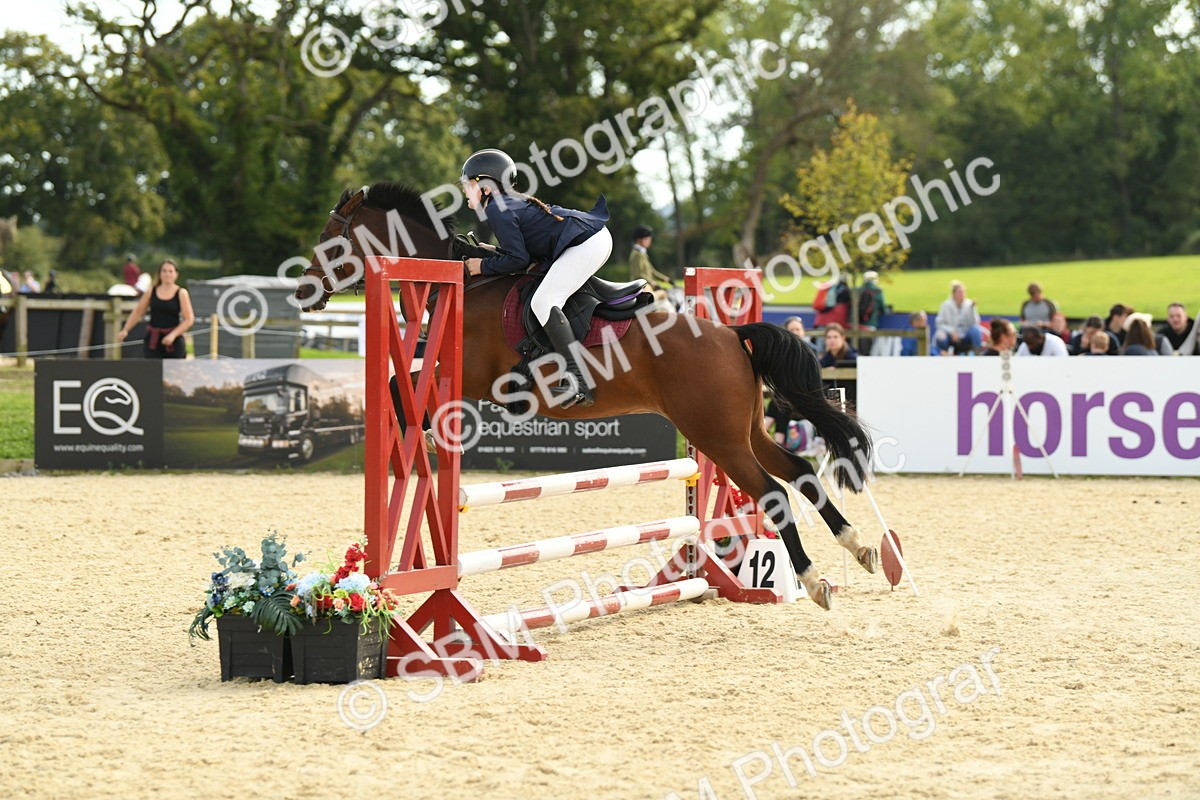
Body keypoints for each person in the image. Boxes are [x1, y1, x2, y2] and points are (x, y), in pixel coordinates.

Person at [459, 148, 611, 408]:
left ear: (485, 186)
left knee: (543, 301)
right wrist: (493, 253)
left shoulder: (497, 209)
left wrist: (481, 266)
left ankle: (578, 379)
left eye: (467, 184)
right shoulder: (503, 204)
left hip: (587, 243)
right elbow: (523, 255)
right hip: (591, 239)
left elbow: (518, 261)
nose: (464, 191)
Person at [116, 259, 194, 358]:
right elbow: (138, 312)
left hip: (174, 341)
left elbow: (189, 319)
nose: (167, 274)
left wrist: (173, 335)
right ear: (160, 273)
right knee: (153, 370)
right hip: (153, 341)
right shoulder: (151, 291)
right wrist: (126, 329)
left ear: (176, 274)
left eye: (170, 271)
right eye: (164, 271)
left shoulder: (181, 293)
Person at [934, 280, 983, 355]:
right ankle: (945, 356)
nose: (962, 294)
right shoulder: (945, 305)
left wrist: (972, 309)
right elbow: (939, 323)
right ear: (953, 294)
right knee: (941, 337)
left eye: (963, 292)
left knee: (976, 331)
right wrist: (951, 331)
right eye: (960, 292)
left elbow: (975, 323)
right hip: (950, 335)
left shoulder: (969, 304)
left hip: (965, 334)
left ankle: (977, 354)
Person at [628, 225, 672, 290]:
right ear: (638, 240)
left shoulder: (642, 253)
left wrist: (665, 279)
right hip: (641, 287)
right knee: (662, 294)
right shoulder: (636, 254)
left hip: (646, 285)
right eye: (647, 239)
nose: (649, 241)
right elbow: (638, 275)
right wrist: (652, 282)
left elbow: (652, 271)